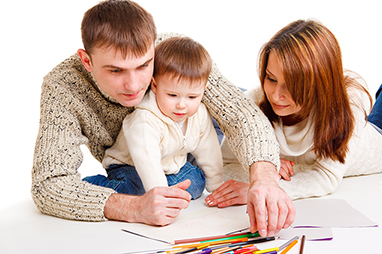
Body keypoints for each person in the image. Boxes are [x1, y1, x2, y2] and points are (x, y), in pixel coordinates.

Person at [31, 0, 294, 235]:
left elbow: (239, 112)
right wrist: (133, 208)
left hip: (183, 143)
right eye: (115, 70)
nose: (133, 85)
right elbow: (48, 184)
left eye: (144, 66)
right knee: (138, 186)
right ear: (87, 61)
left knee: (229, 98)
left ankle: (268, 156)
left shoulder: (169, 48)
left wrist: (264, 178)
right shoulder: (62, 86)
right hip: (133, 161)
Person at [206, 19, 382, 205]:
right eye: (271, 79)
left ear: (319, 85)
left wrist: (269, 187)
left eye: (292, 85)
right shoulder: (255, 101)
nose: (276, 96)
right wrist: (267, 166)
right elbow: (225, 166)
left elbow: (326, 177)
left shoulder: (347, 103)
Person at [84, 36, 223, 200]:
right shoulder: (144, 120)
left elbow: (209, 149)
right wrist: (160, 197)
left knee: (197, 182)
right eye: (172, 95)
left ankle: (168, 187)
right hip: (130, 166)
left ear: (203, 90)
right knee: (138, 189)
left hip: (171, 166)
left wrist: (217, 186)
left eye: (192, 97)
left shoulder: (199, 114)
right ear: (155, 86)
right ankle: (93, 185)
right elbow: (147, 162)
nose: (181, 105)